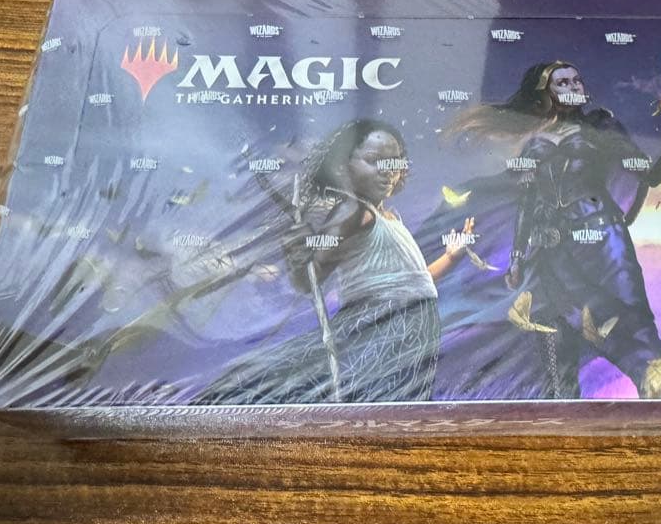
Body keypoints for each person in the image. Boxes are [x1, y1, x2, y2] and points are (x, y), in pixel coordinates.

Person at [446, 61, 661, 398]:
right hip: (553, 253)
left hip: (605, 245)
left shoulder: (601, 124)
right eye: (562, 83)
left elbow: (651, 175)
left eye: (576, 80)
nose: (573, 86)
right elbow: (528, 202)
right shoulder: (533, 143)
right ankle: (562, 413)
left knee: (635, 326)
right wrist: (517, 257)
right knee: (556, 336)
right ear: (545, 94)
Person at [193, 118, 474, 404]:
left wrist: (450, 257)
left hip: (407, 333)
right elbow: (308, 280)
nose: (387, 172)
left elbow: (412, 282)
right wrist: (296, 251)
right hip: (378, 330)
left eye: (394, 162)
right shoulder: (355, 214)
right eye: (373, 161)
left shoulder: (389, 218)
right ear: (342, 167)